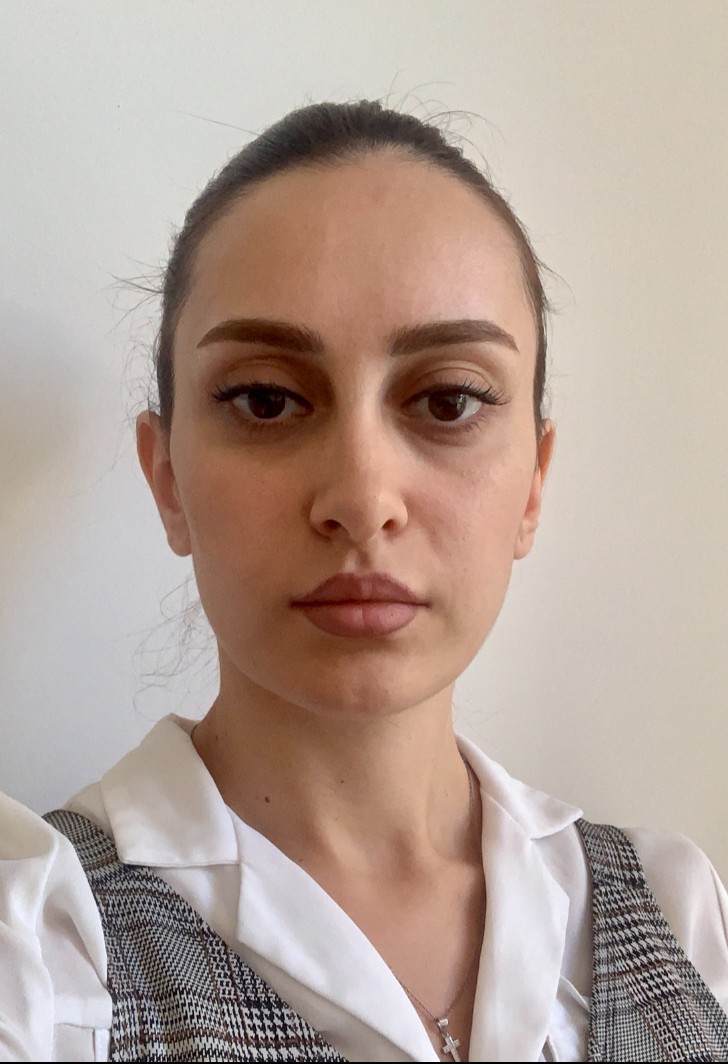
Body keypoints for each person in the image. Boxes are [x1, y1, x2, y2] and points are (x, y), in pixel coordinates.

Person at [1, 98, 727, 1064]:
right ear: (167, 478)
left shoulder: (682, 913)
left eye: (448, 400)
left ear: (534, 484)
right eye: (267, 400)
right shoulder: (38, 952)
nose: (361, 497)